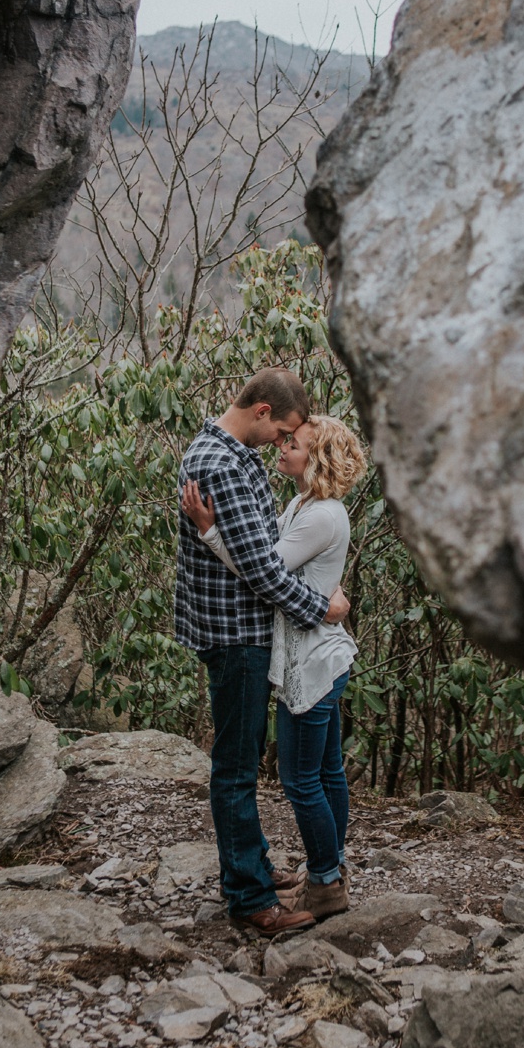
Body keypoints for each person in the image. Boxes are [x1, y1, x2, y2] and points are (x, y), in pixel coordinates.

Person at [174, 367, 349, 938]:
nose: (282, 446)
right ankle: (249, 897)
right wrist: (322, 608)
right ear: (264, 412)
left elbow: (267, 553)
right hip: (237, 635)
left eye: (292, 442)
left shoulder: (236, 454)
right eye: (284, 433)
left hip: (248, 632)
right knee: (236, 770)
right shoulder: (222, 463)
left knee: (253, 764)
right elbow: (265, 572)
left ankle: (258, 867)